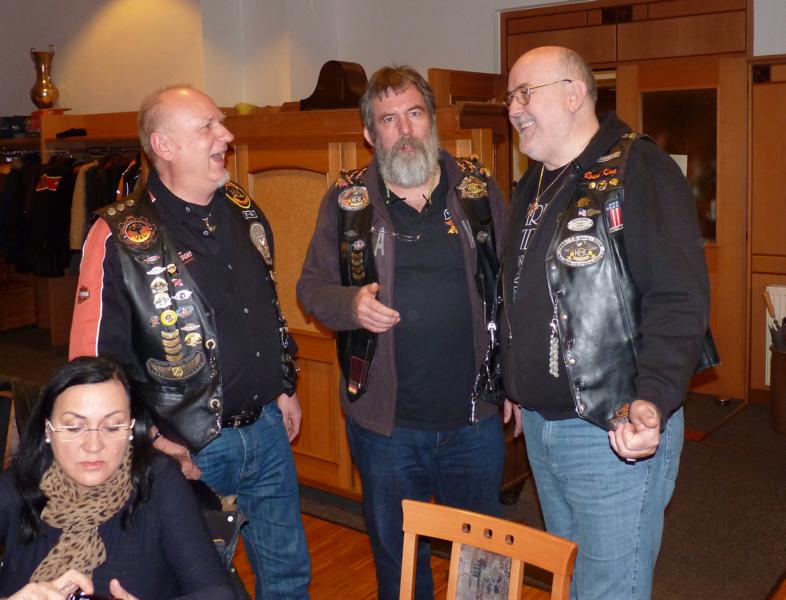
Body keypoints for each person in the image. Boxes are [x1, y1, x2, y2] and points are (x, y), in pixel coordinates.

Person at [69, 85, 310, 599]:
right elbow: (92, 365)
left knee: (289, 578)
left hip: (266, 431)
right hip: (185, 448)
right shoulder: (118, 234)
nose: (226, 135)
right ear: (164, 145)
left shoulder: (244, 211)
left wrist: (284, 384)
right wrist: (150, 440)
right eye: (208, 127)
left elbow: (265, 307)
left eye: (220, 123)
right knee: (198, 587)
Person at [500, 46, 711, 599]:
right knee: (571, 582)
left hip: (612, 429)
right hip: (542, 427)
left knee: (610, 590)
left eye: (526, 93)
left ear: (574, 94)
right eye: (511, 97)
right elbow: (521, 292)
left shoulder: (639, 169)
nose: (514, 108)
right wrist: (514, 380)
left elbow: (679, 299)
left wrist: (654, 399)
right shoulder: (534, 183)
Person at [297, 65, 509, 600]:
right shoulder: (346, 202)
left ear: (432, 119)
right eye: (389, 119)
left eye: (414, 113)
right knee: (400, 567)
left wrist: (518, 382)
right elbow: (311, 289)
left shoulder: (477, 190)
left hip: (474, 420)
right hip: (385, 428)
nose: (405, 129)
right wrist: (351, 305)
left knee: (483, 568)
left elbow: (514, 287)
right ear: (370, 134)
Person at [0, 356, 235, 600]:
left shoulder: (158, 481)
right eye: (74, 427)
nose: (93, 445)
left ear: (131, 428)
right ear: (48, 429)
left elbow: (217, 592)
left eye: (112, 427)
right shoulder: (22, 480)